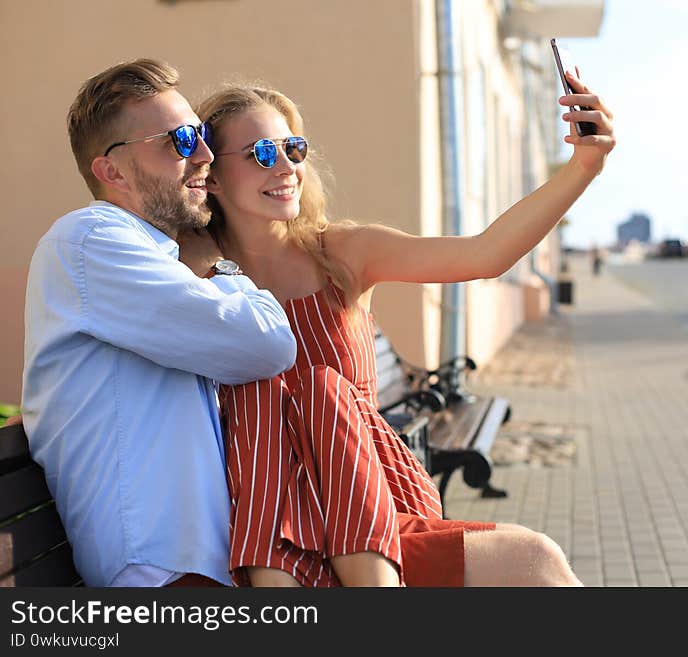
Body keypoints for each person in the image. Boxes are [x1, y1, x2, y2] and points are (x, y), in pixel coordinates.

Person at [182, 70, 614, 587]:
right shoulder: (192, 275)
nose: (287, 168)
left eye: (292, 149)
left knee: (536, 559)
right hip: (266, 517)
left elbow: (484, 254)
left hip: (369, 501)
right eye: (261, 154)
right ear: (212, 173)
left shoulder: (340, 253)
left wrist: (584, 168)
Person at [20, 59, 298, 587]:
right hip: (161, 573)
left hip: (195, 567)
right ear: (113, 171)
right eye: (180, 140)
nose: (205, 155)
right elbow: (266, 345)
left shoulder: (152, 258)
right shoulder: (90, 239)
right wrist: (220, 262)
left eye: (201, 135)